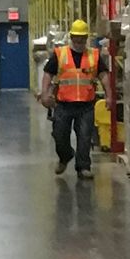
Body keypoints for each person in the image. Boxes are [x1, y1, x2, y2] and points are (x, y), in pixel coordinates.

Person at [41, 18, 100, 179]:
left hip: (86, 105)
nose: (80, 41)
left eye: (82, 38)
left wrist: (108, 96)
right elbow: (48, 73)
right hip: (63, 104)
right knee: (59, 135)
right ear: (72, 37)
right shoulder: (60, 54)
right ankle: (65, 156)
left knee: (85, 136)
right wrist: (45, 94)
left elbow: (104, 74)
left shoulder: (94, 55)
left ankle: (83, 167)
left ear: (86, 38)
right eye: (77, 38)